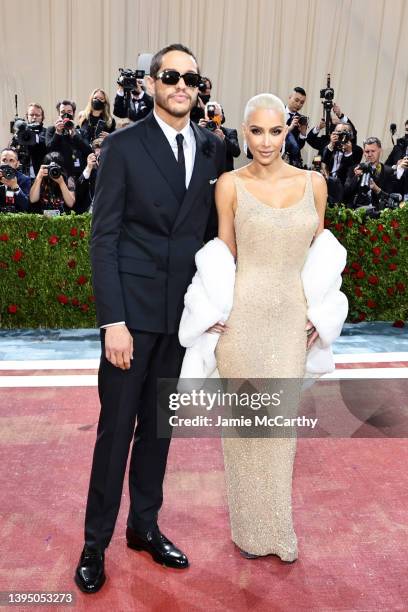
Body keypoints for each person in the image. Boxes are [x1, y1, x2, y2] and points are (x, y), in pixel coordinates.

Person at [75, 43, 225, 594]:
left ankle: (144, 527)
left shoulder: (215, 150)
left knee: (159, 431)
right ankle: (95, 544)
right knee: (116, 434)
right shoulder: (121, 147)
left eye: (191, 76)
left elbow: (212, 240)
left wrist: (214, 309)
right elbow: (104, 238)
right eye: (171, 75)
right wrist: (112, 320)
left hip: (180, 319)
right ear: (152, 83)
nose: (182, 84)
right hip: (130, 321)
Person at [213, 93, 327, 561]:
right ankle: (248, 529)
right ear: (244, 133)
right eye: (256, 131)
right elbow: (223, 255)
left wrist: (320, 311)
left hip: (289, 322)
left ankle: (277, 530)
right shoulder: (228, 184)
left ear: (288, 131)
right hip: (242, 319)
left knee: (279, 430)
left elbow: (322, 259)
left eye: (275, 131)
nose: (266, 141)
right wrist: (213, 315)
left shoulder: (314, 183)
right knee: (245, 429)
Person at [344, 136, 404, 208]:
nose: (370, 154)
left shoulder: (389, 172)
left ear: (380, 151)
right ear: (364, 152)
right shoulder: (354, 168)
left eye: (373, 151)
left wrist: (376, 189)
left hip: (378, 213)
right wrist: (356, 177)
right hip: (355, 211)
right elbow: (345, 193)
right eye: (367, 151)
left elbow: (390, 198)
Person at [45, 100, 92, 179]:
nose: (66, 115)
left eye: (69, 111)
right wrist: (58, 133)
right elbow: (49, 149)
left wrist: (74, 135)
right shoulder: (52, 130)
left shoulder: (80, 132)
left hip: (79, 174)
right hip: (60, 174)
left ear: (73, 113)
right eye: (63, 112)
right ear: (59, 114)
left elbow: (88, 151)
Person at [10, 103, 47, 178]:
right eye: (31, 115)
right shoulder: (21, 132)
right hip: (22, 175)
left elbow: (46, 144)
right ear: (27, 116)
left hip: (40, 176)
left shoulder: (47, 132)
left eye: (37, 115)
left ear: (42, 117)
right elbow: (12, 150)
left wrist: (33, 136)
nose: (34, 117)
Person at [74, 138, 102, 214]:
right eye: (98, 156)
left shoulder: (115, 171)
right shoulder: (89, 171)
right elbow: (78, 191)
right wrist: (89, 167)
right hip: (90, 213)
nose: (100, 158)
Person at [0, 148, 30, 212]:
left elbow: (26, 206)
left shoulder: (24, 179)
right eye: (4, 160)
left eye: (11, 160)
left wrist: (15, 187)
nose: (7, 163)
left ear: (17, 164)